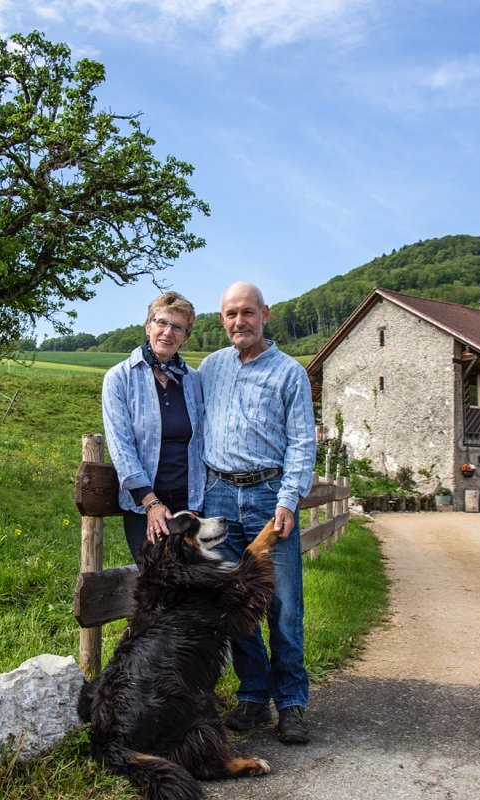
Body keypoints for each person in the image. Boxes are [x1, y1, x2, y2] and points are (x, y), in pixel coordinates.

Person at [199, 281, 317, 745]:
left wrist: (289, 498)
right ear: (222, 318)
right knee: (234, 603)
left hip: (270, 498)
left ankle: (291, 704)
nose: (238, 322)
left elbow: (303, 442)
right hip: (219, 498)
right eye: (230, 314)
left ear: (265, 314)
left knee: (283, 606)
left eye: (247, 312)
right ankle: (253, 696)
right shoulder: (209, 368)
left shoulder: (290, 373)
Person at [101, 291, 206, 560]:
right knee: (156, 585)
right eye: (161, 322)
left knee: (192, 586)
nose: (167, 332)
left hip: (190, 504)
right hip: (144, 506)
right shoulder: (119, 378)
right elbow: (120, 446)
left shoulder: (193, 380)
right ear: (148, 326)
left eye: (177, 327)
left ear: (185, 336)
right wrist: (151, 503)